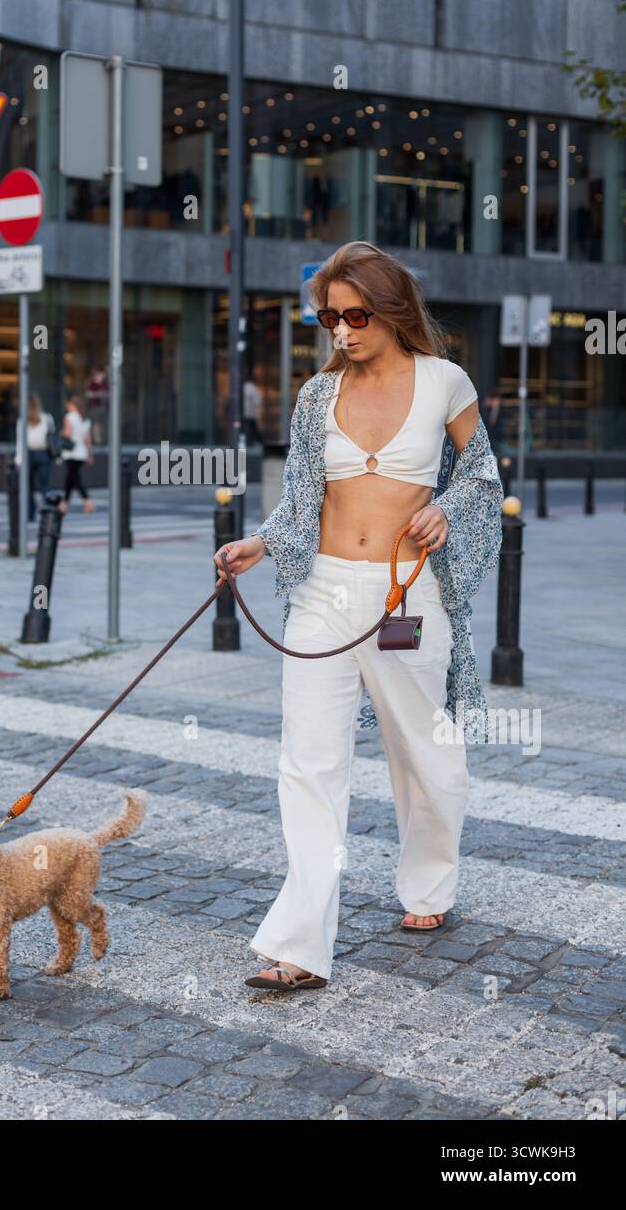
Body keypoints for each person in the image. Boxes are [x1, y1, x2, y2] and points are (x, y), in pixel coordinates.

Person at [214, 241, 502, 993]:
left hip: (408, 596)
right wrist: (259, 545)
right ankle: (301, 946)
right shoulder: (317, 395)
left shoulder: (444, 381)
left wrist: (446, 507)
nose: (341, 331)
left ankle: (429, 884)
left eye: (355, 316)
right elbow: (300, 501)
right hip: (323, 593)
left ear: (392, 310)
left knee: (425, 753)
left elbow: (483, 474)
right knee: (307, 764)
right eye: (329, 319)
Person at [15, 394, 56, 521]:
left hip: (29, 454)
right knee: (45, 485)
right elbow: (52, 435)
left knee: (28, 487)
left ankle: (29, 514)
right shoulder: (47, 418)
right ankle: (50, 512)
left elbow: (20, 441)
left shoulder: (22, 420)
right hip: (43, 453)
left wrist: (18, 459)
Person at [59, 395, 95, 514]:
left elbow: (68, 434)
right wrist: (90, 454)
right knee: (71, 479)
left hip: (71, 452)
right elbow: (88, 439)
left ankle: (87, 501)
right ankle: (64, 503)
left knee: (74, 479)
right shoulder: (85, 419)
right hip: (81, 452)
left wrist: (61, 433)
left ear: (73, 405)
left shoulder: (69, 417)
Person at [243, 377, 264, 445]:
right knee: (252, 432)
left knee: (246, 433)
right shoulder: (252, 388)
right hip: (250, 415)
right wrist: (259, 417)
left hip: (243, 415)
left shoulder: (242, 387)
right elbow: (257, 404)